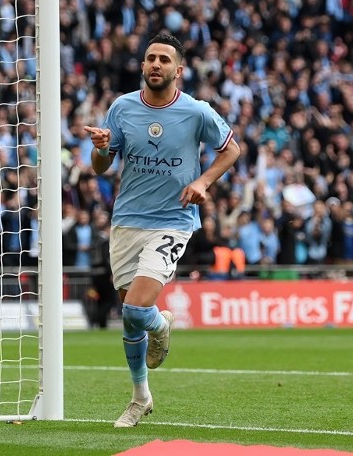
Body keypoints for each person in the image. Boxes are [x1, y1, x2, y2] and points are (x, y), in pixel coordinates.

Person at [84, 33, 240, 427]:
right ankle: (141, 397)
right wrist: (102, 149)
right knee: (131, 315)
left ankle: (160, 324)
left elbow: (232, 149)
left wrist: (204, 182)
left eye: (164, 60)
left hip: (173, 221)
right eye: (150, 58)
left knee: (136, 309)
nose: (156, 64)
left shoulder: (197, 111)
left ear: (179, 70)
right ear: (142, 65)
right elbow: (101, 167)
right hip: (126, 221)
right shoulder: (122, 108)